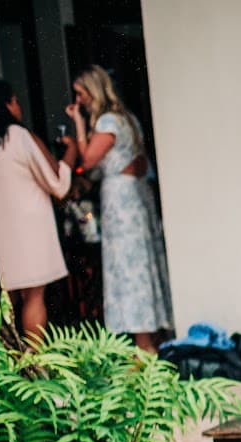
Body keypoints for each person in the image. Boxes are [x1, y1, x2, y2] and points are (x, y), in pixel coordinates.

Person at [66, 65, 172, 351]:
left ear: (93, 90)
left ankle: (143, 342)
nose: (78, 100)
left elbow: (88, 160)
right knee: (140, 264)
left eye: (81, 93)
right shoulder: (127, 120)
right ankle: (153, 337)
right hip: (134, 197)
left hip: (122, 203)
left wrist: (77, 125)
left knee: (128, 266)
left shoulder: (107, 123)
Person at [0, 79, 72, 340]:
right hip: (30, 231)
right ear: (5, 105)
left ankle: (11, 365)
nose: (18, 106)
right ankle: (36, 362)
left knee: (5, 301)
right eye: (14, 100)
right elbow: (56, 185)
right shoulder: (18, 136)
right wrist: (70, 157)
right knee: (34, 297)